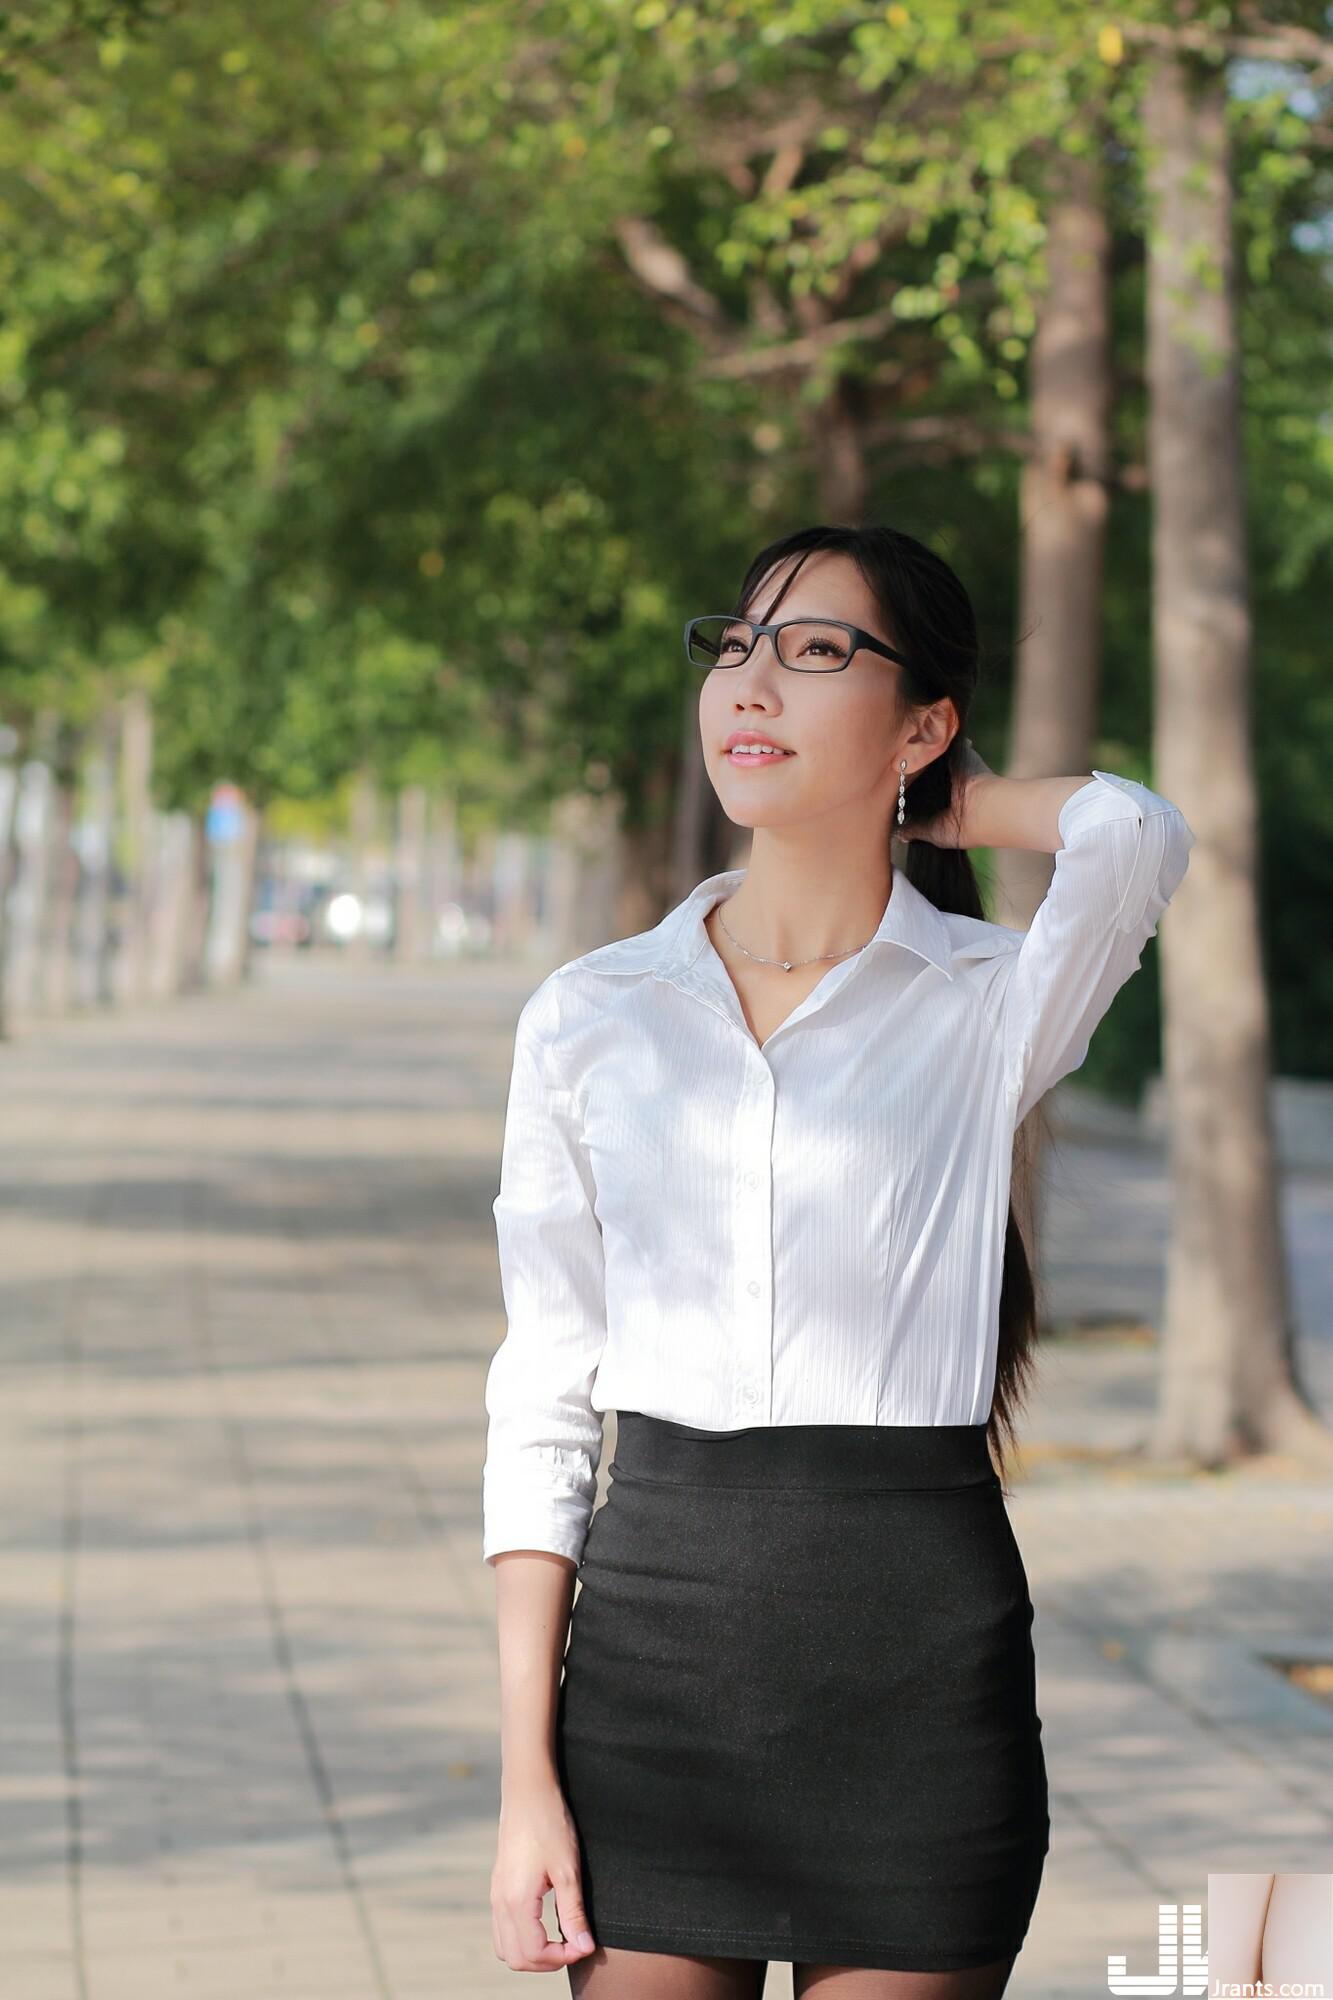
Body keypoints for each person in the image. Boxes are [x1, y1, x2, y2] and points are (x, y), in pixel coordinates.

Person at [483, 523, 1196, 1999]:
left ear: (923, 722)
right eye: (737, 645)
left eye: (817, 653)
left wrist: (953, 805)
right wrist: (523, 1781)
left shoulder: (985, 1000)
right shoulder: (590, 1015)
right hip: (651, 1664)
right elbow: (543, 1395)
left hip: (913, 1665)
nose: (753, 683)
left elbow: (1131, 834)